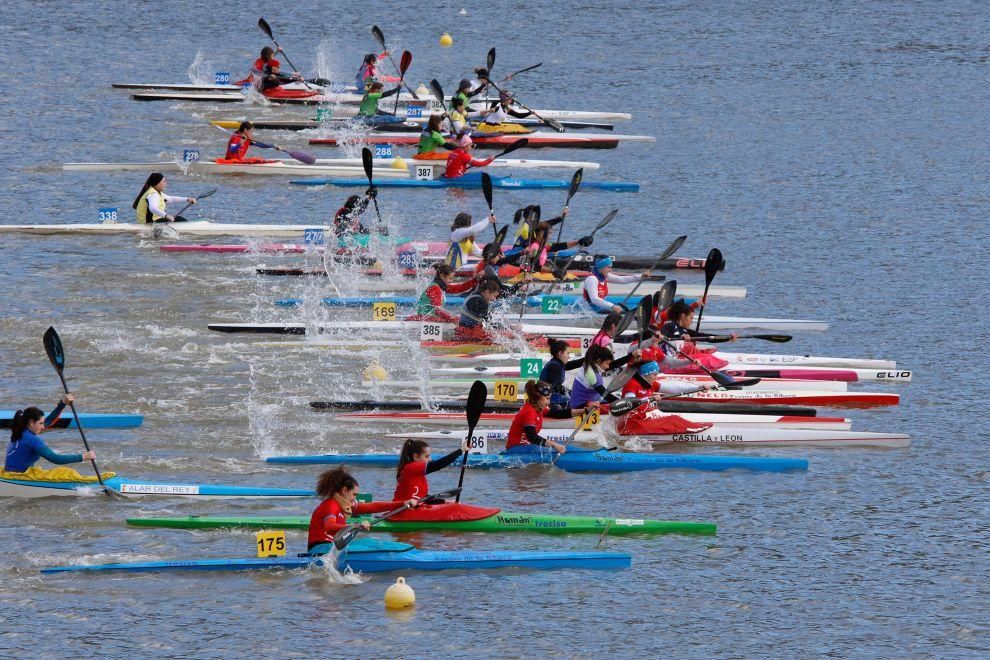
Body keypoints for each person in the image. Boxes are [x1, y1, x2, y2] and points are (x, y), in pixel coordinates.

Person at [307, 467, 415, 551]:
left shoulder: (343, 504)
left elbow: (373, 506)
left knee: (368, 543)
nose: (355, 498)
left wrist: (403, 503)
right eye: (354, 494)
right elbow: (329, 526)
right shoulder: (331, 505)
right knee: (368, 544)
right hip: (320, 549)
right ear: (344, 490)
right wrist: (356, 526)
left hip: (332, 547)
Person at [5, 395, 96, 473]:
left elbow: (48, 421)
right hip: (19, 478)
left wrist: (62, 403)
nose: (43, 427)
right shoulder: (32, 439)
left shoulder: (21, 430)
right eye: (40, 423)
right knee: (64, 472)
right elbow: (55, 459)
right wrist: (83, 456)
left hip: (10, 473)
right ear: (31, 422)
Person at [658, 299, 733, 372]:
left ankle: (724, 366)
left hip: (675, 361)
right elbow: (661, 337)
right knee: (708, 360)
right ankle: (725, 368)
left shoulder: (684, 330)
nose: (691, 321)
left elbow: (706, 337)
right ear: (683, 316)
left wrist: (727, 338)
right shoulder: (669, 326)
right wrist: (679, 337)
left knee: (707, 356)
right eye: (691, 318)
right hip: (666, 365)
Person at [393, 439, 468, 500]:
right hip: (403, 514)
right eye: (427, 456)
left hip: (411, 512)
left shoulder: (416, 473)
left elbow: (423, 498)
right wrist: (461, 450)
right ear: (416, 456)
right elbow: (439, 464)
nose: (430, 459)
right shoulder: (411, 468)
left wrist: (445, 502)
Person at [539, 338, 596, 417]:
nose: (569, 357)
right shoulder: (554, 366)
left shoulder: (557, 363)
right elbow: (557, 388)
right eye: (568, 353)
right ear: (560, 353)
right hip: (549, 403)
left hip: (550, 399)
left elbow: (574, 364)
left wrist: (588, 358)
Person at [505, 381, 567, 454]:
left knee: (561, 447)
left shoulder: (537, 408)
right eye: (547, 398)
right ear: (538, 397)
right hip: (516, 449)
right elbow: (532, 437)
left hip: (526, 447)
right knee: (554, 449)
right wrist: (554, 444)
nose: (549, 402)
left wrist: (582, 410)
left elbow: (559, 414)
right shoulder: (529, 411)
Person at [407, 263, 478, 323]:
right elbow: (437, 310)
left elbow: (460, 288)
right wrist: (453, 319)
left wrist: (475, 280)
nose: (452, 281)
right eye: (450, 278)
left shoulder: (440, 286)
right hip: (425, 319)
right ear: (442, 276)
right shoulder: (435, 288)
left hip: (428, 318)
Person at [581, 256, 651, 314]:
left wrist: (640, 276)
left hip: (600, 307)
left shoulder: (605, 276)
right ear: (601, 267)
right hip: (590, 309)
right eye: (608, 267)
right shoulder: (592, 279)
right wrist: (613, 306)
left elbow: (622, 279)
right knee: (627, 312)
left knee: (629, 308)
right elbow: (594, 299)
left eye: (610, 267)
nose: (610, 270)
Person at [569, 344, 624, 413]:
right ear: (598, 361)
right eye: (607, 363)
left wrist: (631, 356)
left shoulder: (588, 365)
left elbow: (615, 364)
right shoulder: (591, 375)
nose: (608, 367)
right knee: (616, 406)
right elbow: (604, 394)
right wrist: (622, 402)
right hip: (581, 407)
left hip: (582, 402)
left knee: (616, 398)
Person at [620, 360, 715, 400]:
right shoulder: (631, 384)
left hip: (642, 418)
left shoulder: (649, 383)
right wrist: (649, 399)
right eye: (654, 374)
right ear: (645, 374)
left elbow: (673, 388)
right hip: (632, 423)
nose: (656, 376)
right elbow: (629, 402)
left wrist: (698, 387)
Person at [524, 221, 591, 273]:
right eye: (550, 233)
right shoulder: (535, 247)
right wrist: (553, 271)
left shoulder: (543, 245)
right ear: (541, 233)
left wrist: (578, 242)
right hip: (532, 273)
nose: (550, 236)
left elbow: (559, 246)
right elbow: (535, 267)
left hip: (539, 272)